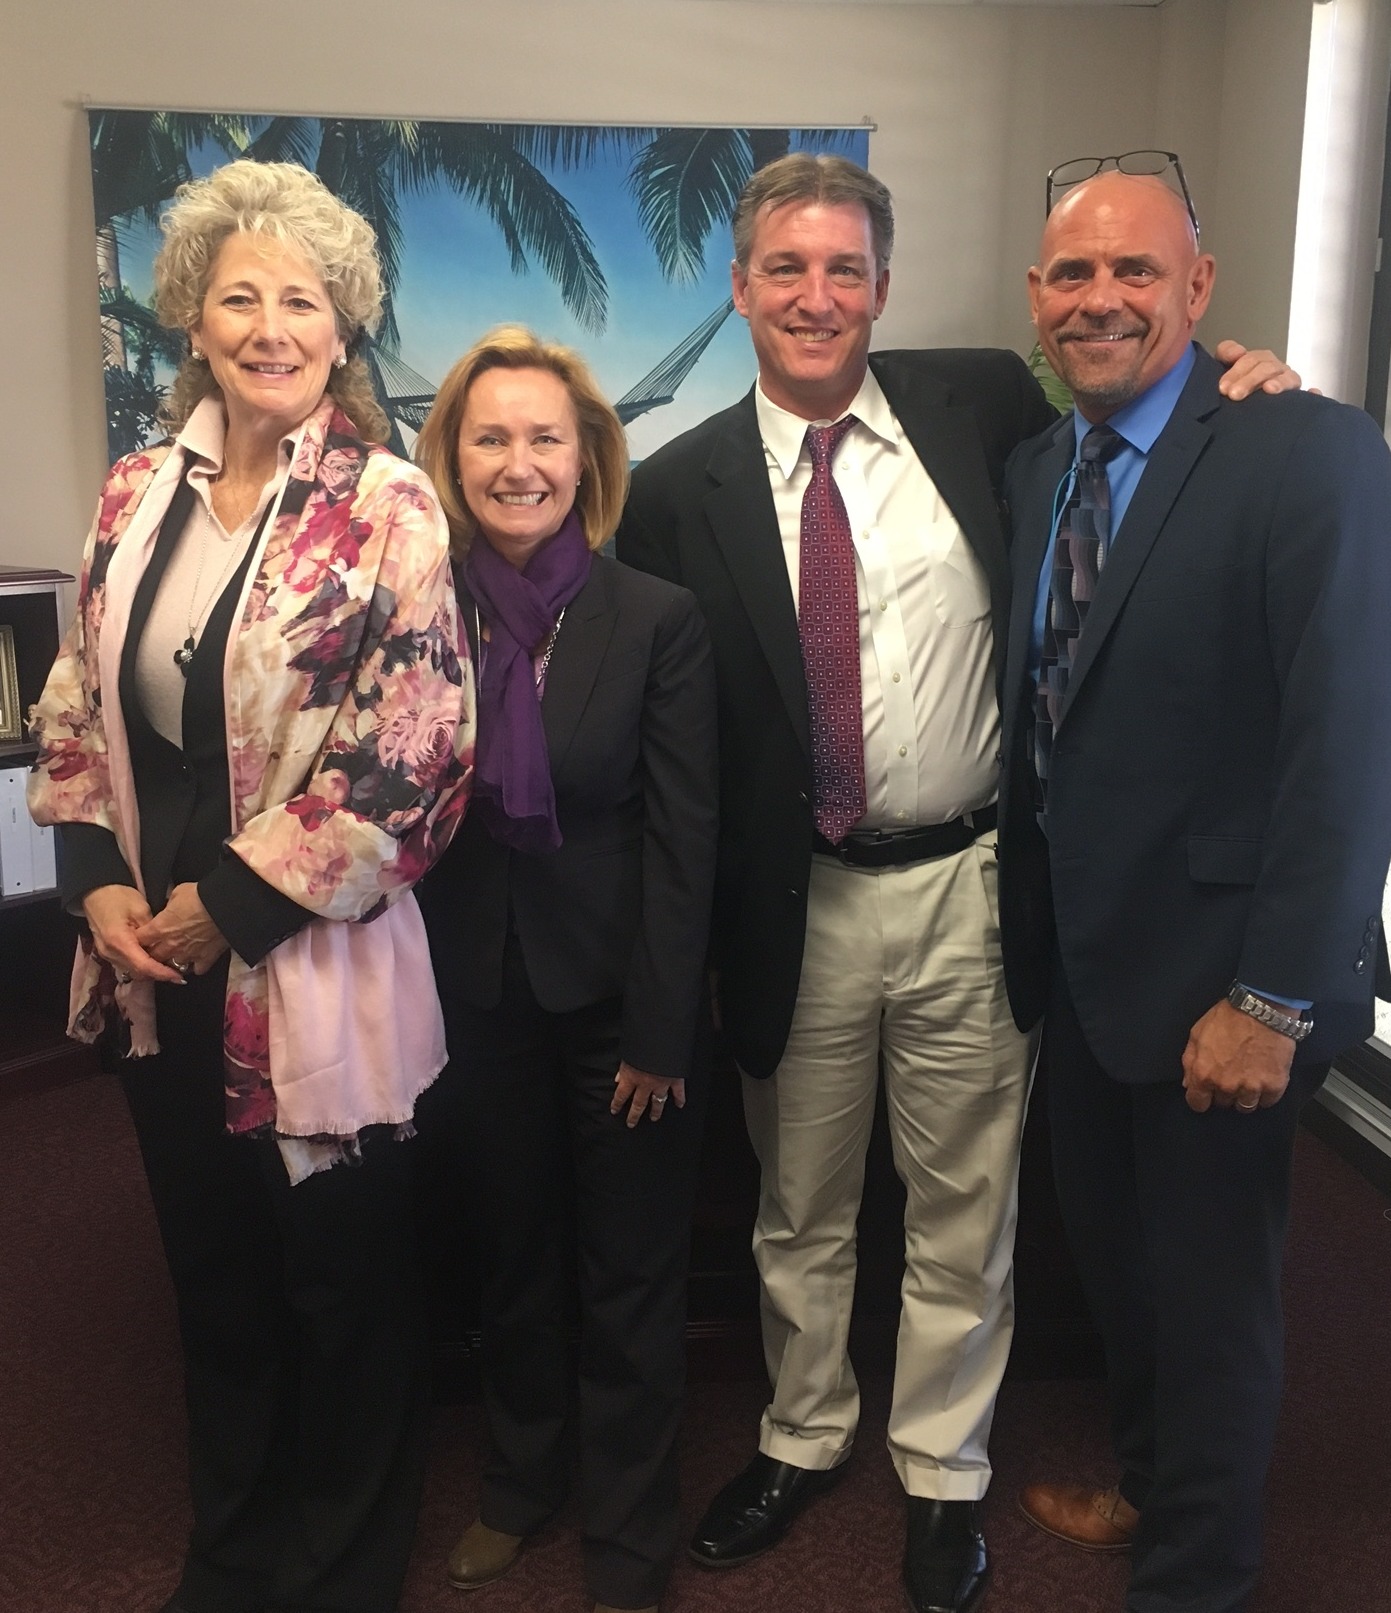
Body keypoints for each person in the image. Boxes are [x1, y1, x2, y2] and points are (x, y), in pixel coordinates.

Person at [616, 152, 1296, 1613]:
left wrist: (1246, 370)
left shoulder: (983, 402)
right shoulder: (674, 490)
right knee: (795, 1206)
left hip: (971, 884)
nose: (815, 296)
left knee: (959, 1205)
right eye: (784, 269)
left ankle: (941, 1470)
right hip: (792, 900)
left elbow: (1147, 415)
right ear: (737, 289)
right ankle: (799, 1437)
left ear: (882, 285)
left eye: (843, 268)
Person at [27, 159, 475, 1613]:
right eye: (239, 297)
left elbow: (420, 751)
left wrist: (237, 902)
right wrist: (96, 882)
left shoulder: (391, 504)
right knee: (213, 1278)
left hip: (304, 961)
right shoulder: (134, 490)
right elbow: (74, 703)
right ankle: (233, 1549)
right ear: (193, 326)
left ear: (342, 328)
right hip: (149, 961)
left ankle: (345, 1567)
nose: (270, 325)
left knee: (339, 1288)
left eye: (301, 299)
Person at [996, 167, 1391, 1613]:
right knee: (1123, 1273)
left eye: (1133, 273)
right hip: (1091, 969)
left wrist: (1272, 995)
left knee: (1214, 1299)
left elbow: (1344, 745)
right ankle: (1156, 1488)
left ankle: (1197, 1579)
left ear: (1197, 285)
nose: (1099, 298)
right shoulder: (1040, 466)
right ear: (1033, 300)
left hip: (1230, 977)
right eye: (1069, 276)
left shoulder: (1309, 454)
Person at [413, 326, 718, 1613]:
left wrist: (659, 1028)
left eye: (545, 437)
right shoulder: (413, 608)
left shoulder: (656, 618)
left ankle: (632, 1531)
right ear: (453, 454)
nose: (518, 462)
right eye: (491, 436)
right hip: (472, 996)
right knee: (512, 1255)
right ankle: (521, 1481)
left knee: (631, 1272)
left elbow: (682, 835)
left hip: (615, 1009)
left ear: (587, 456)